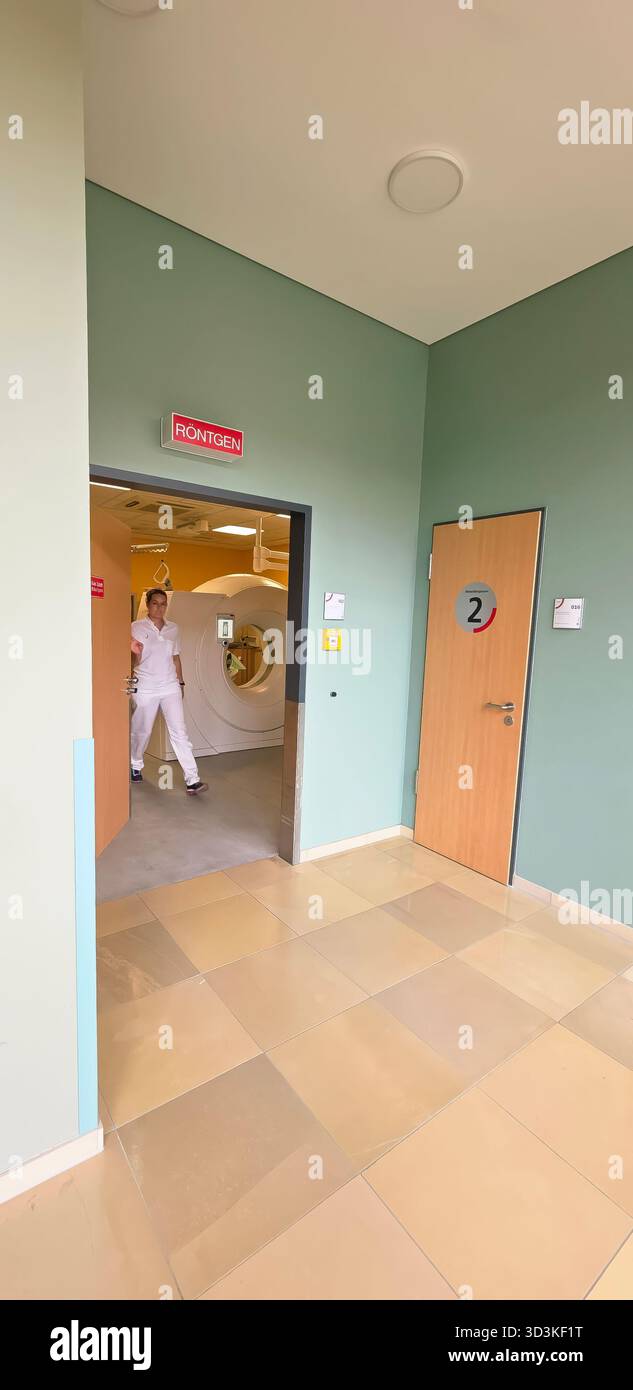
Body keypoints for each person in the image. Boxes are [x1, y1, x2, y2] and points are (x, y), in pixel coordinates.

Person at [130, 588, 208, 795]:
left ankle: (193, 779)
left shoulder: (174, 629)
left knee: (180, 732)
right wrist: (133, 653)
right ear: (148, 605)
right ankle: (135, 764)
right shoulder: (135, 627)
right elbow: (131, 658)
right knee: (142, 729)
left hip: (170, 685)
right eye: (155, 603)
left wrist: (181, 683)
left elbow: (175, 657)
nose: (159, 607)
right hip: (145, 684)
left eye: (163, 604)